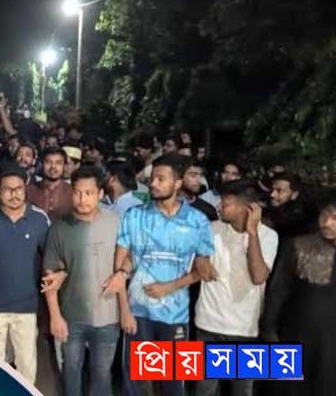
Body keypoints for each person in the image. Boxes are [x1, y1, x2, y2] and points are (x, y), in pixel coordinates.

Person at [103, 153, 216, 396]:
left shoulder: (198, 221)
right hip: (138, 314)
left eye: (161, 179)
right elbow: (120, 267)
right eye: (152, 178)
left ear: (177, 183)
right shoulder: (134, 216)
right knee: (135, 384)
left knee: (172, 384)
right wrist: (124, 311)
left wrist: (170, 286)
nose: (153, 183)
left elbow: (203, 270)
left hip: (176, 315)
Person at [194, 180, 278, 396]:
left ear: (248, 208)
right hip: (209, 323)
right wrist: (200, 259)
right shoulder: (211, 229)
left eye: (226, 204)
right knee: (205, 390)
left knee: (242, 391)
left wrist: (252, 233)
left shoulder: (268, 236)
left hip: (245, 327)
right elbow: (197, 263)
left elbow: (258, 276)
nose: (219, 207)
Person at [42, 167, 122, 396]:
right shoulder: (59, 228)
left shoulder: (115, 223)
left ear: (100, 194)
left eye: (89, 193)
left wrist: (123, 273)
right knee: (71, 372)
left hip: (108, 315)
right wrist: (55, 317)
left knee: (102, 375)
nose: (82, 199)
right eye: (77, 193)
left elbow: (128, 258)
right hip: (71, 317)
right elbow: (49, 276)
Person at [0, 162, 50, 384]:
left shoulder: (40, 219)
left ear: (25, 188)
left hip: (26, 306)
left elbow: (51, 257)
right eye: (8, 189)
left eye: (18, 189)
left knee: (26, 366)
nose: (14, 194)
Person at [261, 190, 336, 396]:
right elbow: (278, 291)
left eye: (334, 218)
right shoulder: (299, 246)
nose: (327, 222)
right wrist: (269, 330)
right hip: (296, 334)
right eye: (324, 215)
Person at [27, 147, 73, 221]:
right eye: (48, 162)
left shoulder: (72, 192)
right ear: (42, 164)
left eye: (58, 163)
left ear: (64, 166)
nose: (53, 166)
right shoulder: (29, 190)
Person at [264, 172, 312, 239]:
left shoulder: (299, 216)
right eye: (272, 189)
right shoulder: (276, 207)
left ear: (294, 194)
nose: (272, 194)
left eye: (279, 190)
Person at [179, 157, 219, 221]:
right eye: (193, 176)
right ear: (179, 176)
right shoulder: (164, 205)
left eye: (201, 176)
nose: (199, 180)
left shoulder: (207, 210)